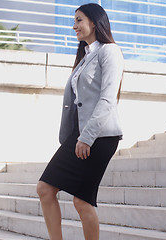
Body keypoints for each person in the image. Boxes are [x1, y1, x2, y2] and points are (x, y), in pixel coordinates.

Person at [36, 3, 124, 240]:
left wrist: (86, 137)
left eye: (79, 20)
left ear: (94, 22)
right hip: (78, 134)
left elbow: (107, 99)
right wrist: (74, 135)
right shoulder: (86, 55)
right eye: (74, 21)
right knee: (45, 189)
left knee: (82, 201)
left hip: (100, 135)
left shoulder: (109, 51)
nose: (73, 25)